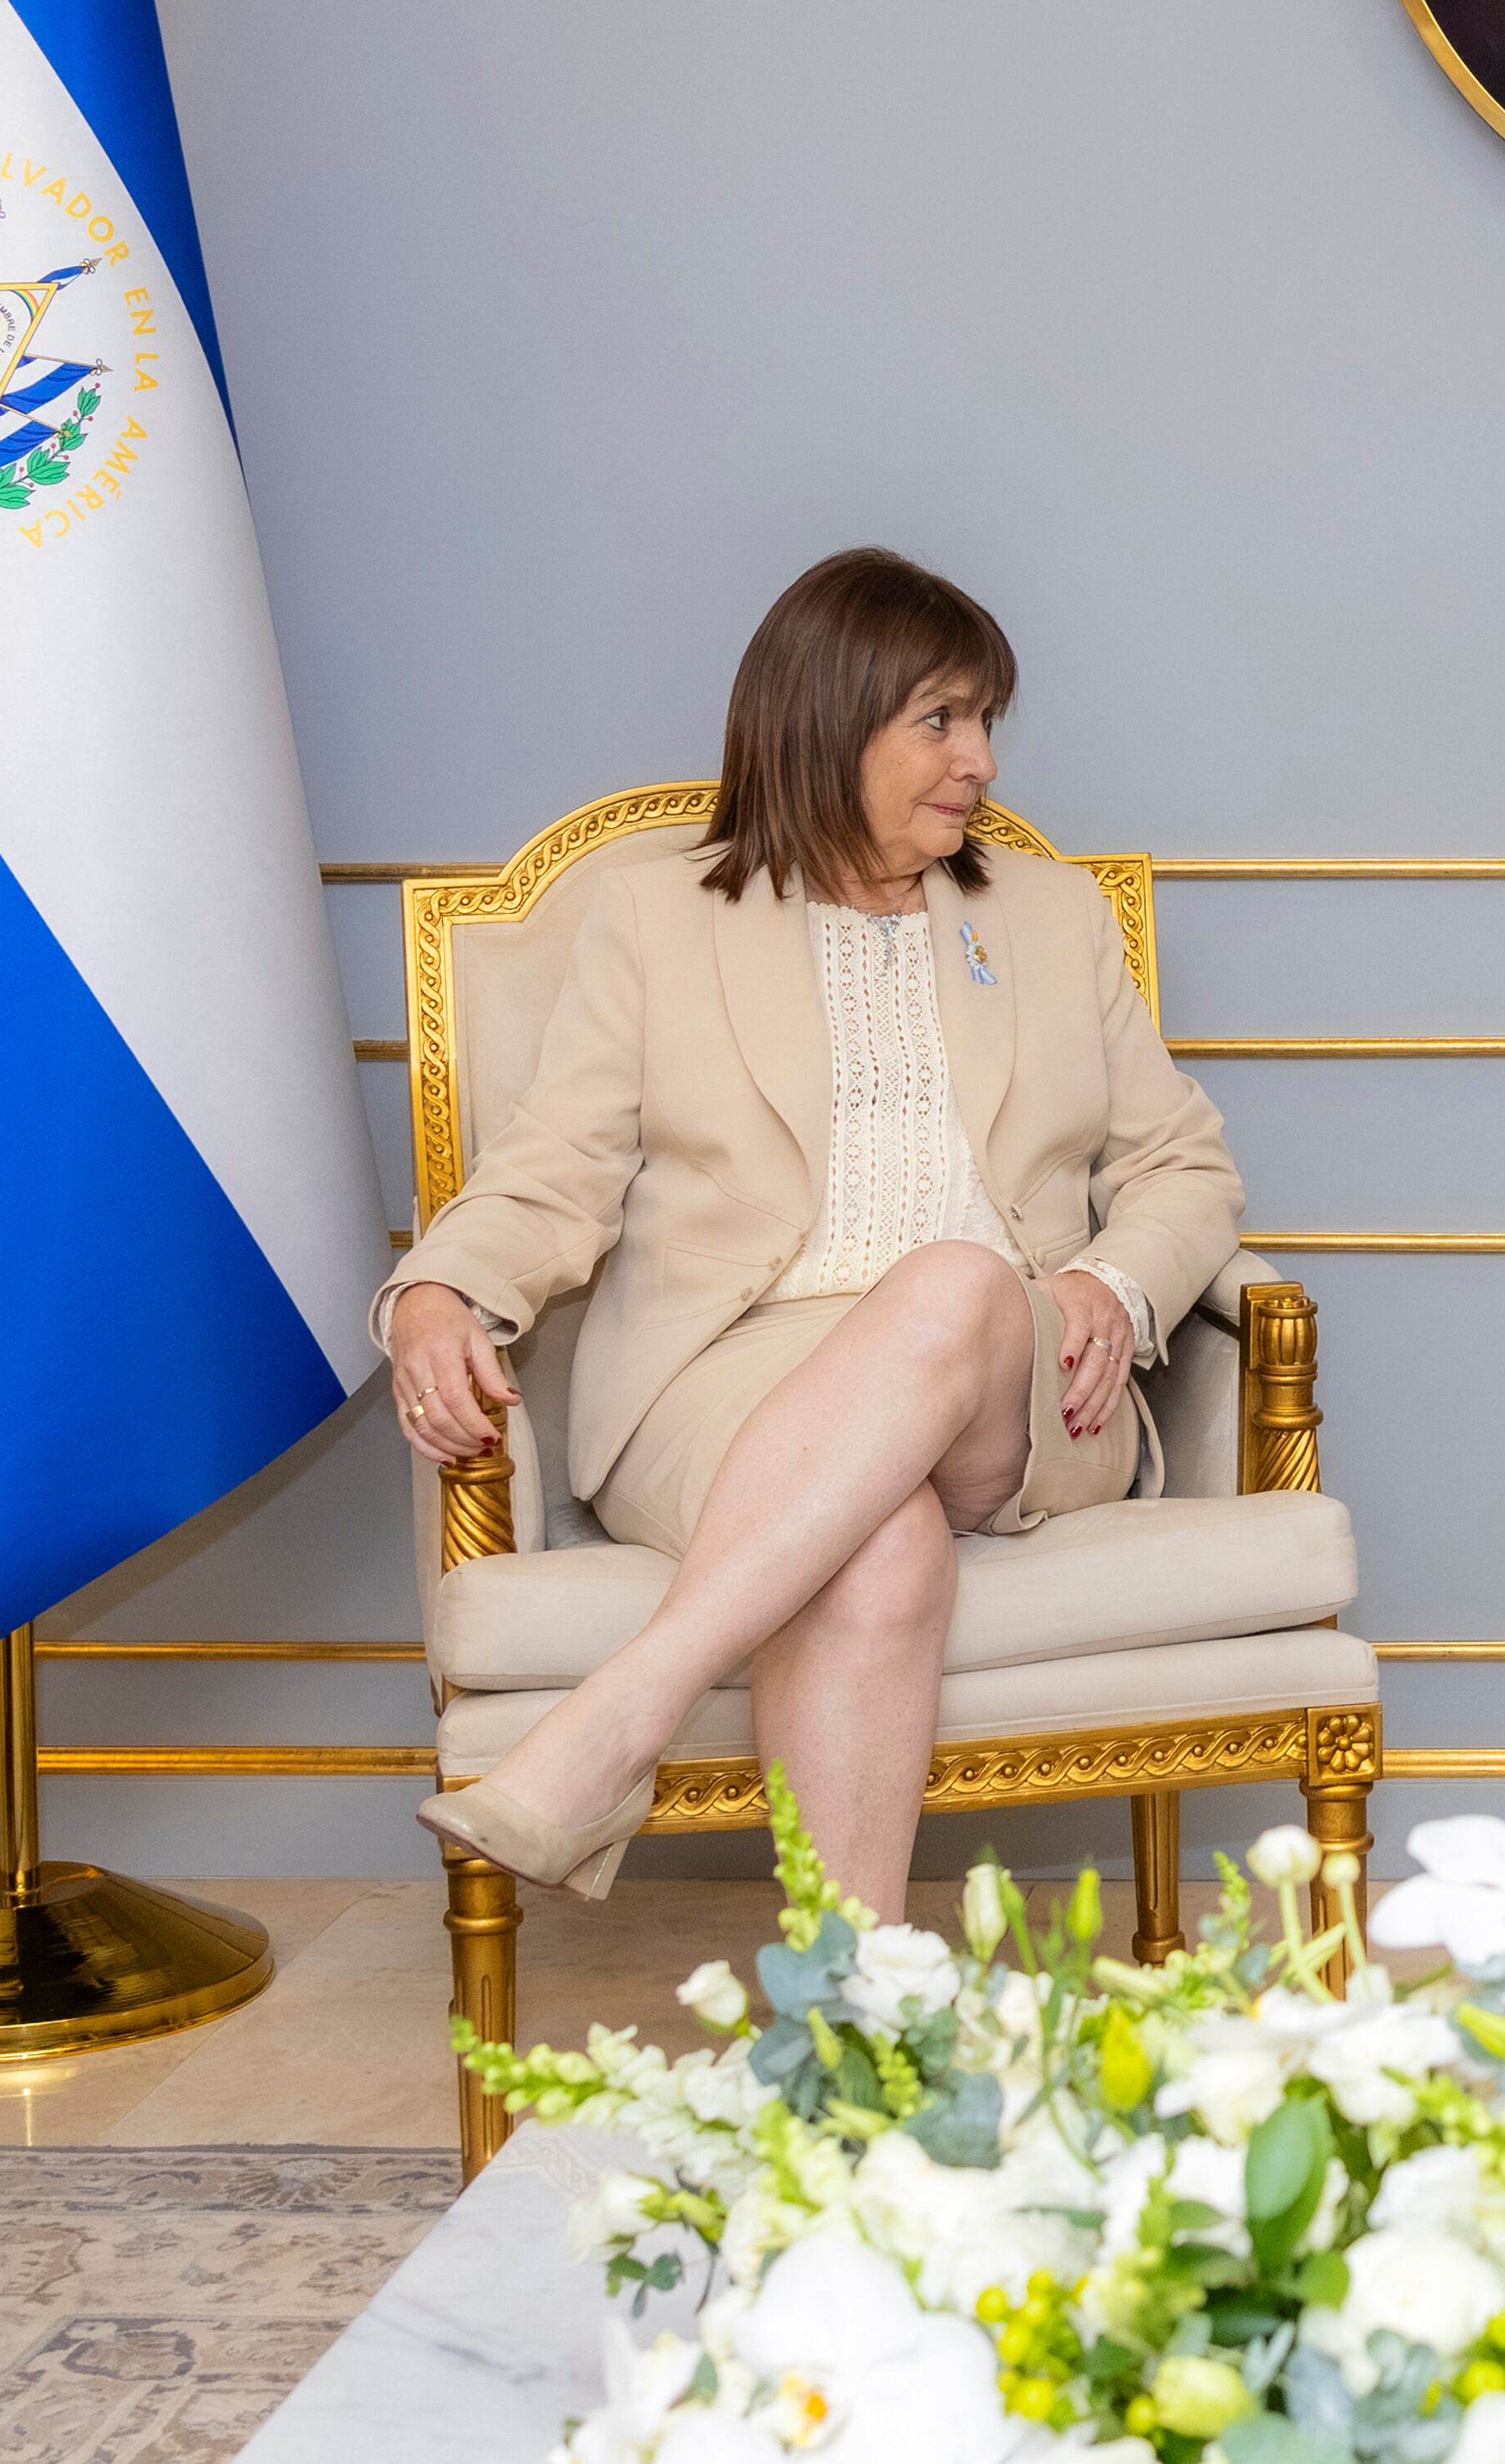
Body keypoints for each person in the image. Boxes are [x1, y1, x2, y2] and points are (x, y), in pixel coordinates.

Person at [387, 549, 1243, 1916]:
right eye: (941, 721)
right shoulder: (658, 917)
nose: (980, 763)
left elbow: (1182, 1164)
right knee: (880, 1543)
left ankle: (622, 1715)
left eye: (984, 723)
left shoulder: (1049, 913)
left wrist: (1114, 1279)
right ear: (830, 721)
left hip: (1013, 1375)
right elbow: (556, 1171)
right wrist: (438, 1293)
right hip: (728, 1370)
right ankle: (850, 2021)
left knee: (952, 1281)